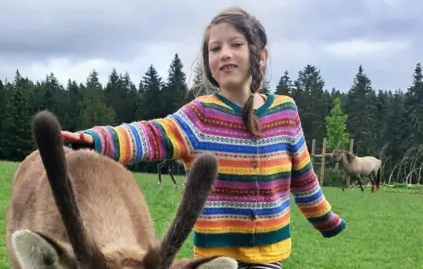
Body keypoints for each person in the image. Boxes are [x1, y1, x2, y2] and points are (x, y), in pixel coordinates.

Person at [61, 7, 347, 268]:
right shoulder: (200, 116)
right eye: (215, 48)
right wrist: (98, 140)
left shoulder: (285, 111)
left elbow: (304, 178)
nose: (224, 53)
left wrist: (327, 220)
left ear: (260, 56)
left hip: (268, 257)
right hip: (214, 261)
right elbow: (152, 134)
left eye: (235, 44)